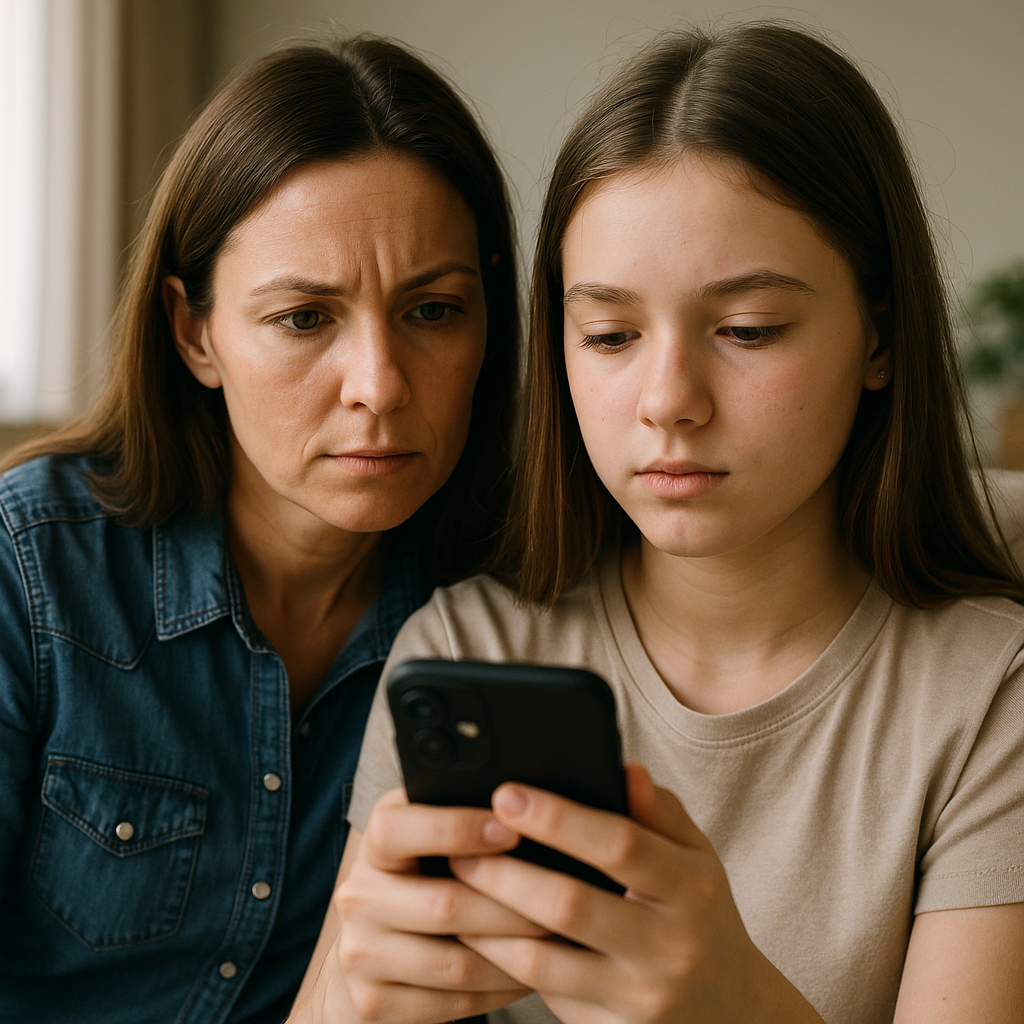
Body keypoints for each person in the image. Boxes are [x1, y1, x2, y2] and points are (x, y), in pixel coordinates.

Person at [293, 22, 1024, 1024]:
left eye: (746, 330)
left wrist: (738, 1004)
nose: (667, 399)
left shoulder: (989, 693)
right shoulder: (471, 646)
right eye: (609, 335)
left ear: (879, 337)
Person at [0, 35, 519, 1023]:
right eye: (305, 317)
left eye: (434, 308)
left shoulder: (511, 613)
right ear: (194, 331)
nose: (378, 385)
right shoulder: (29, 572)